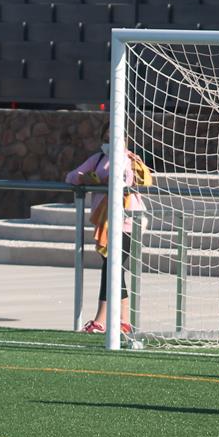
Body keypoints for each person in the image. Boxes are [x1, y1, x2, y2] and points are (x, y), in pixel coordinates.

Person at [65, 140, 148, 334]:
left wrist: (123, 174)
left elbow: (140, 180)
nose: (111, 139)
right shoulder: (99, 158)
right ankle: (124, 321)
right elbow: (71, 177)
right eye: (107, 135)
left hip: (128, 222)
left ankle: (101, 320)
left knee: (112, 266)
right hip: (105, 222)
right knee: (114, 269)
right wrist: (86, 179)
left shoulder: (130, 159)